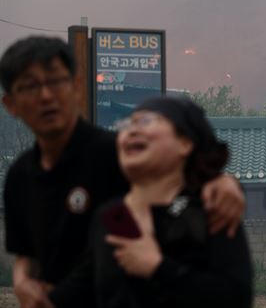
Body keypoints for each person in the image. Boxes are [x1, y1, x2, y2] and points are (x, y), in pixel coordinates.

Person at [0, 36, 246, 308]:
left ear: (77, 86)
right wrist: (22, 279)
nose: (46, 96)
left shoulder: (114, 155)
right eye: (30, 86)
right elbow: (33, 256)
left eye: (56, 81)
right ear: (11, 104)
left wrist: (223, 181)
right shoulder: (21, 177)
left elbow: (172, 178)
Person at [51, 97, 253, 307]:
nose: (132, 131)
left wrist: (157, 267)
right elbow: (80, 289)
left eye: (146, 121)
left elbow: (236, 297)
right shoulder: (110, 215)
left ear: (184, 143)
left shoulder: (212, 208)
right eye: (127, 124)